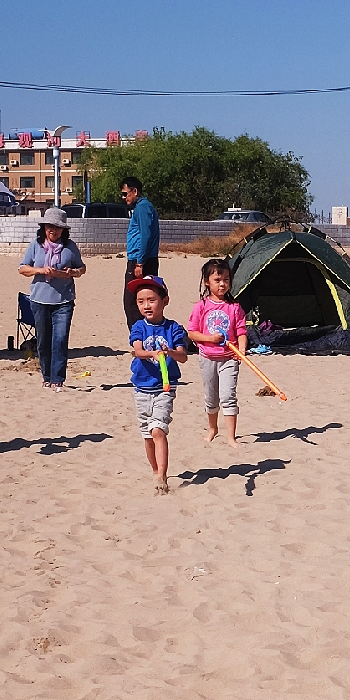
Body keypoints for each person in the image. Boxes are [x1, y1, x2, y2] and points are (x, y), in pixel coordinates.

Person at [129, 277, 190, 493]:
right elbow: (137, 351)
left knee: (158, 430)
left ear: (165, 301)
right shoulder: (138, 327)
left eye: (152, 300)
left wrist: (170, 352)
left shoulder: (173, 328)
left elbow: (183, 356)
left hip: (165, 387)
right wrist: (152, 353)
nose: (146, 305)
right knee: (147, 434)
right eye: (141, 301)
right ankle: (155, 470)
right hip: (141, 388)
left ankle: (163, 475)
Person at [18, 209, 86, 389]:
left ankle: (58, 379)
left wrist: (74, 272)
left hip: (64, 301)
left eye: (57, 227)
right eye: (50, 226)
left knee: (60, 339)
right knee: (43, 341)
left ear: (63, 230)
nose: (53, 231)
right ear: (44, 227)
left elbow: (82, 268)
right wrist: (40, 270)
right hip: (39, 300)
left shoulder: (70, 247)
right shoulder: (35, 245)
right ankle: (47, 376)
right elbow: (22, 268)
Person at [186, 258, 247, 446]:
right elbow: (192, 333)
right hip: (207, 358)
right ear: (207, 281)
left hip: (229, 359)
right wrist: (209, 339)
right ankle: (212, 429)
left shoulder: (234, 307)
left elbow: (242, 331)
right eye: (218, 280)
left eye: (226, 280)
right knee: (211, 397)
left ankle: (231, 437)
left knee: (228, 396)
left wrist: (242, 350)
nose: (222, 284)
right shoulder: (201, 306)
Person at [122, 176, 160, 329]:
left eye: (125, 194)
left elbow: (146, 235)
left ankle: (140, 337)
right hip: (140, 259)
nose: (123, 198)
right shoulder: (141, 208)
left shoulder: (143, 207)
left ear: (135, 191)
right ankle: (143, 336)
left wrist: (140, 262)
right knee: (141, 300)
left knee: (133, 301)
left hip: (142, 261)